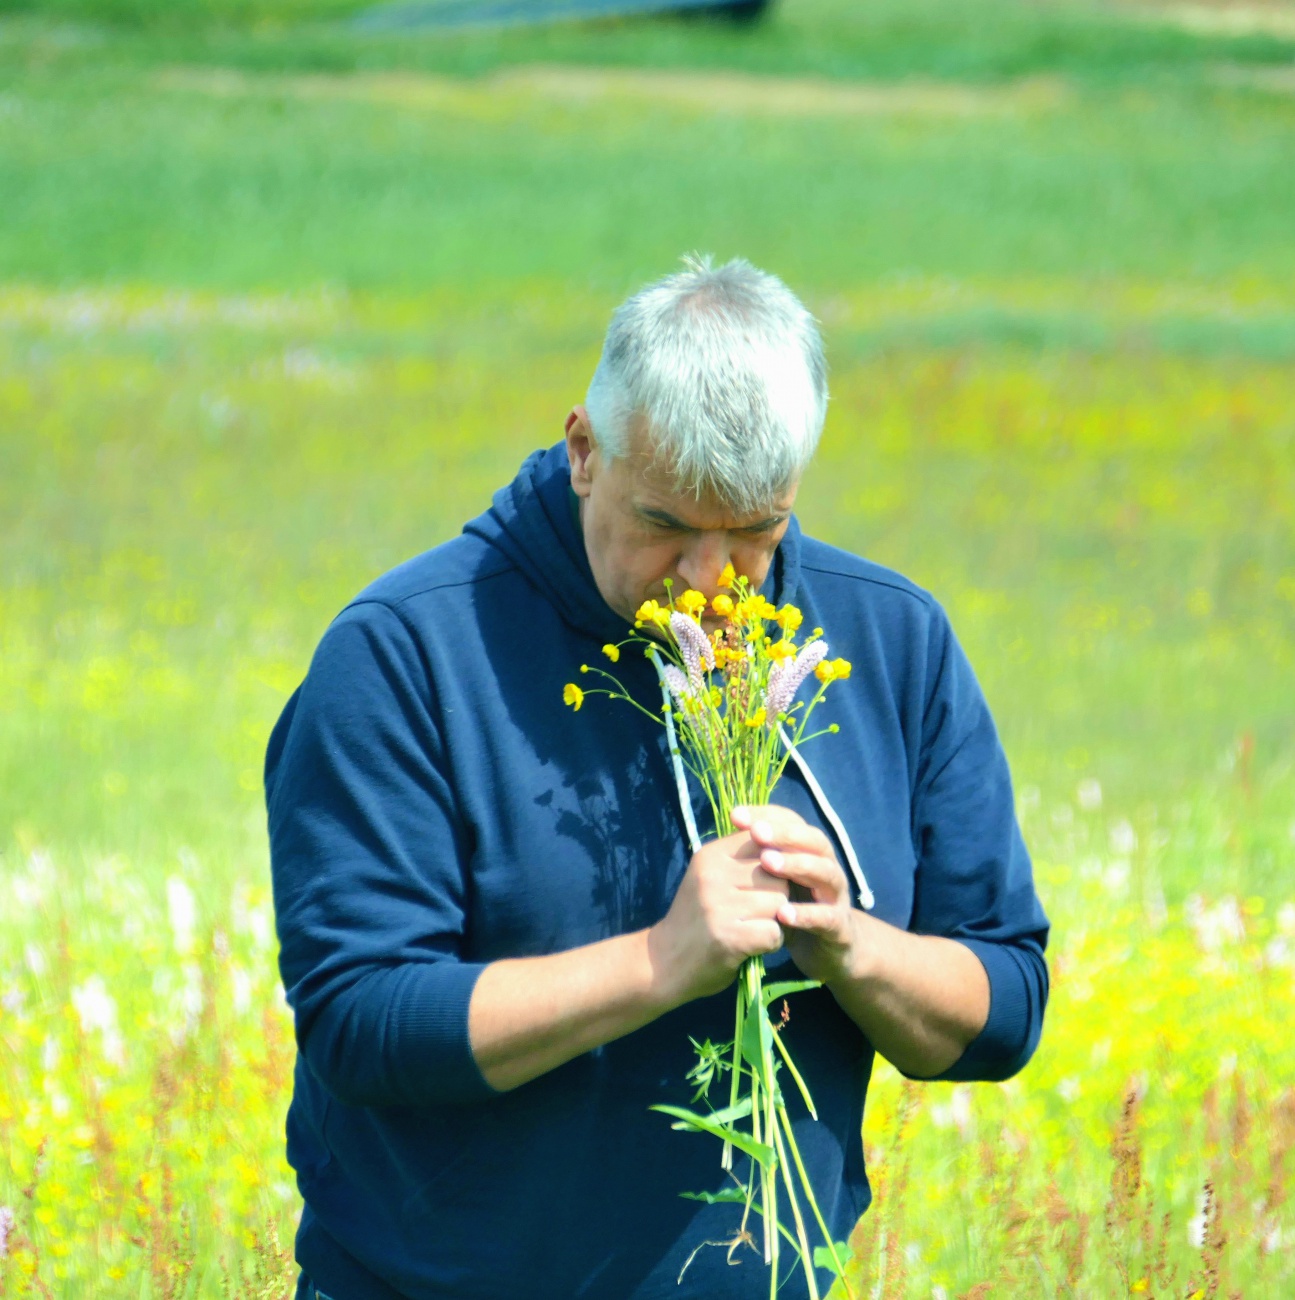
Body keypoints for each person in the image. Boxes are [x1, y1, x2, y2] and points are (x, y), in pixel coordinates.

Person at [267, 256, 1050, 1300]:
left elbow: (1001, 1007)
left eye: (756, 535)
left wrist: (850, 948)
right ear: (583, 450)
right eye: (666, 527)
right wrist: (660, 962)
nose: (709, 581)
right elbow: (361, 1021)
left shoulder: (890, 639)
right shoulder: (406, 655)